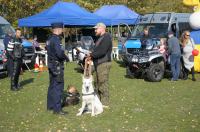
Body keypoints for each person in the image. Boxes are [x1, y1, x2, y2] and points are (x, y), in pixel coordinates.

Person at [87, 22, 112, 107]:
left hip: (104, 63)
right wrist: (91, 53)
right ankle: (97, 101)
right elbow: (97, 50)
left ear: (102, 28)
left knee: (102, 83)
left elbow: (102, 51)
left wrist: (91, 55)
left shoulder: (107, 37)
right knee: (97, 83)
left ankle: (105, 103)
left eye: (96, 29)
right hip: (98, 63)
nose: (95, 30)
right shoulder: (99, 38)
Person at [46, 22, 69, 115]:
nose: (62, 30)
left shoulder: (49, 39)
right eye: (61, 29)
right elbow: (59, 53)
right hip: (57, 66)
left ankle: (50, 105)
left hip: (51, 65)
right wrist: (65, 57)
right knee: (58, 87)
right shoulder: (56, 39)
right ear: (58, 29)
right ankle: (57, 109)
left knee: (52, 86)